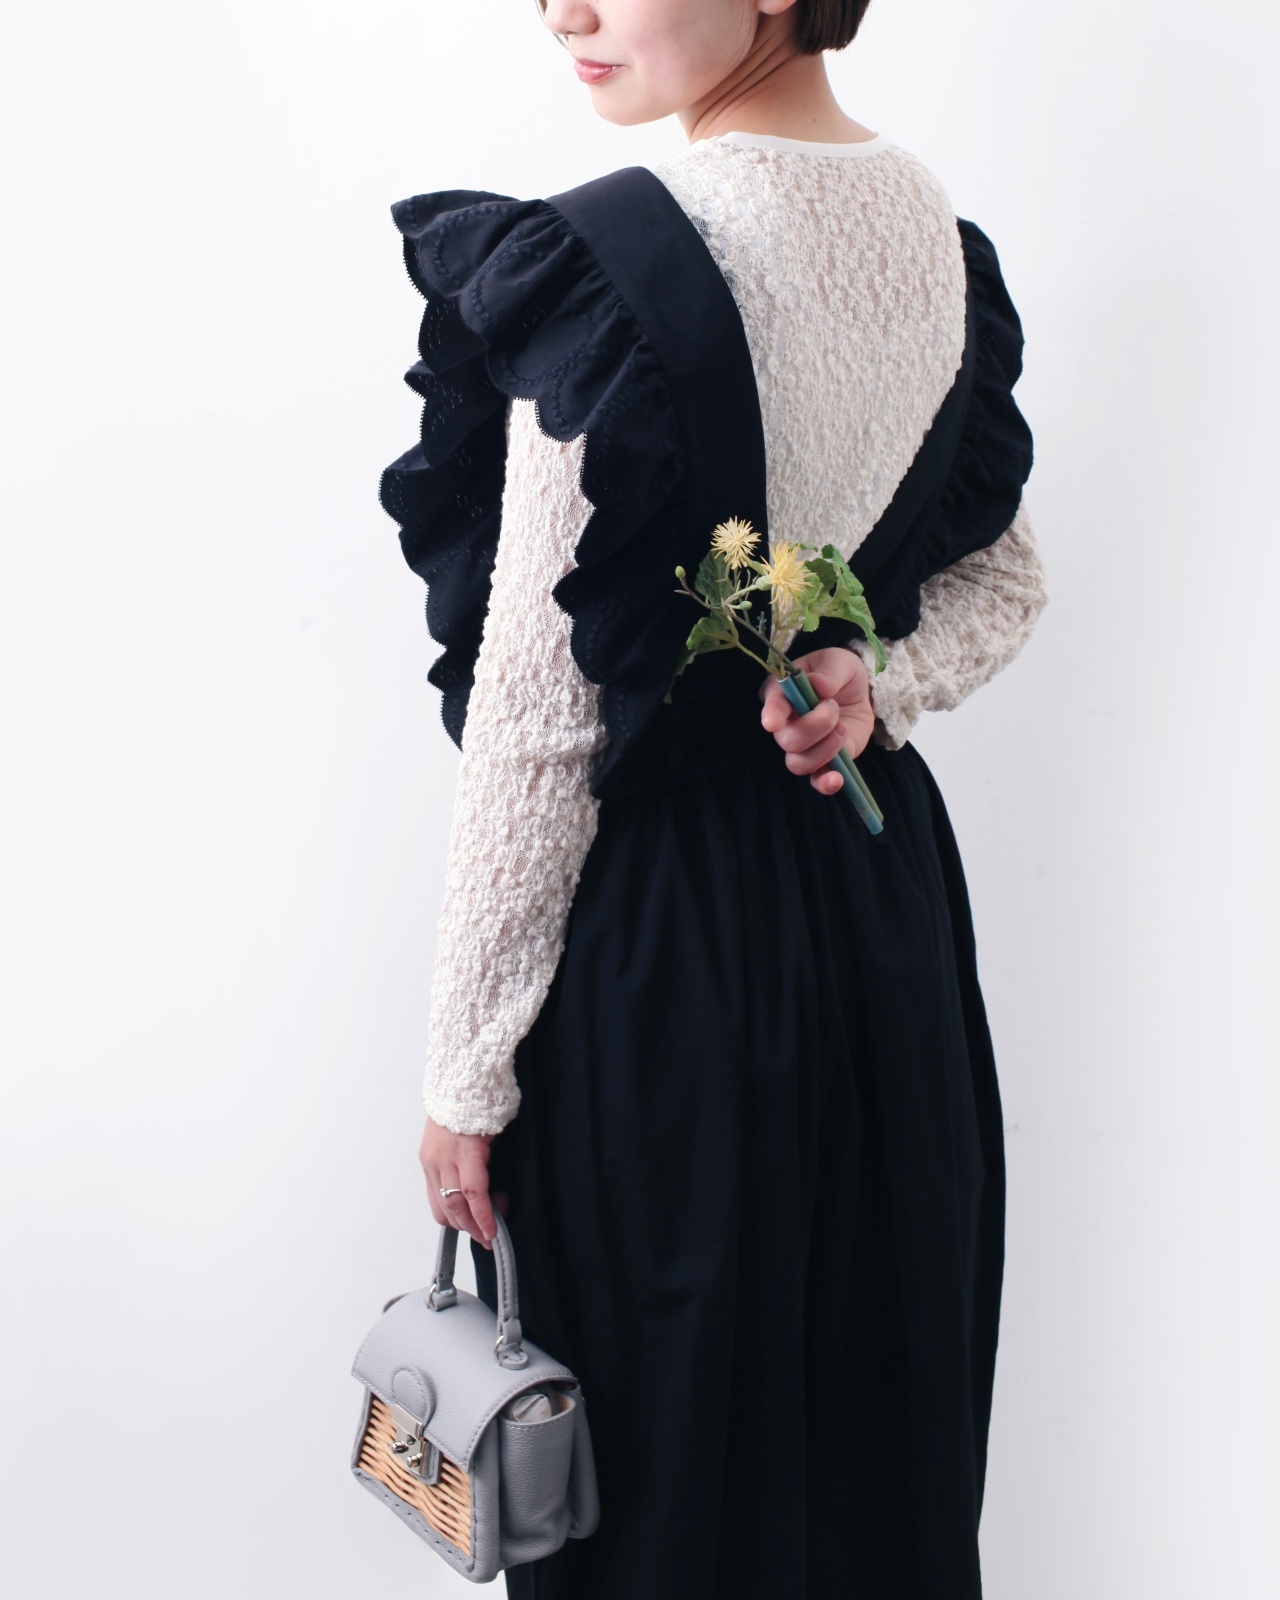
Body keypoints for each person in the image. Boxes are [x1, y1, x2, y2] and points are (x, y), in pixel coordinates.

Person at [380, 1, 1048, 1594]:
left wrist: (466, 1071)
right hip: (879, 918)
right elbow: (1006, 579)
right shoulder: (937, 244)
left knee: (660, 1485)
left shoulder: (608, 266)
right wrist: (869, 681)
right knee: (874, 1443)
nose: (565, 9)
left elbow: (540, 724)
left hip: (667, 945)